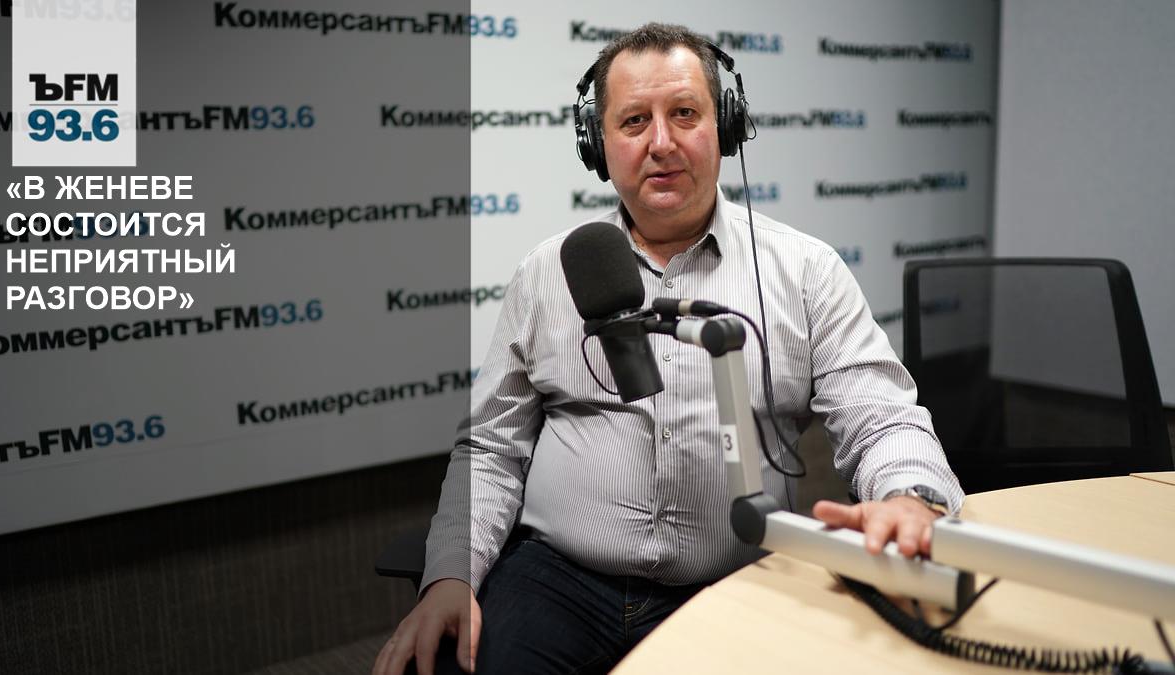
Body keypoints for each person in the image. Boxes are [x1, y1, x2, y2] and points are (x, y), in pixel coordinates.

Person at [373, 23, 963, 675]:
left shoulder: (805, 272)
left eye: (684, 113)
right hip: (559, 579)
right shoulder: (547, 274)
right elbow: (491, 446)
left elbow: (882, 419)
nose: (661, 142)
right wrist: (451, 573)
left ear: (726, 126)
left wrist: (910, 497)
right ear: (597, 143)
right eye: (634, 121)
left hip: (734, 579)